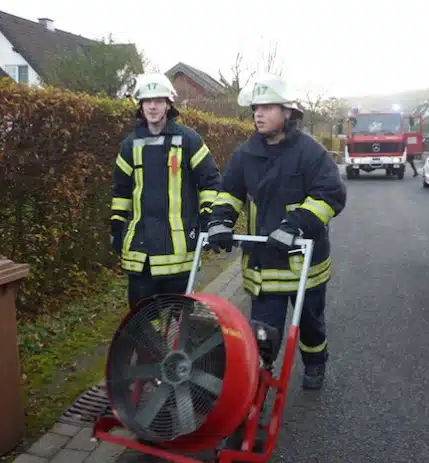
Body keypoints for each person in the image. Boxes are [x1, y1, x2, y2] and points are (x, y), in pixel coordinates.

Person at [207, 74, 347, 390]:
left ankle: (314, 363)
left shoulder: (310, 152)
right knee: (262, 333)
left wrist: (296, 224)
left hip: (303, 266)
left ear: (287, 112)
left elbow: (330, 194)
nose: (258, 114)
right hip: (264, 265)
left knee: (311, 326)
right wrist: (220, 221)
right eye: (256, 107)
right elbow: (229, 192)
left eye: (267, 107)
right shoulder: (245, 154)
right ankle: (258, 385)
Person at [110, 73, 221, 309]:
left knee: (179, 323)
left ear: (168, 104)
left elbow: (210, 182)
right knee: (143, 324)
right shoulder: (130, 145)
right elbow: (121, 190)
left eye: (158, 100)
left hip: (178, 252)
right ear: (139, 105)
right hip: (140, 254)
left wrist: (207, 217)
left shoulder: (189, 140)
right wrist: (117, 225)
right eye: (147, 101)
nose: (152, 106)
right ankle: (151, 348)